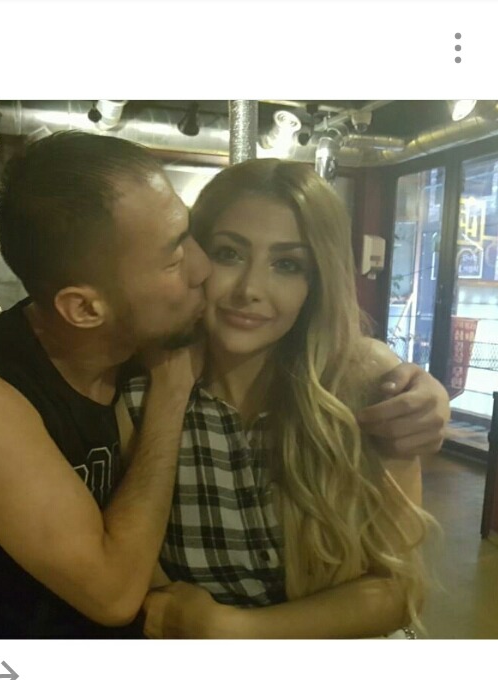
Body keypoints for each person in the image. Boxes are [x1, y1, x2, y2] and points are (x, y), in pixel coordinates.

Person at [0, 131, 209, 638]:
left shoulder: (136, 345)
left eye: (189, 235)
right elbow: (112, 596)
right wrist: (170, 393)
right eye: (173, 259)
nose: (203, 267)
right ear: (84, 308)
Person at [129, 158, 442, 639]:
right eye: (229, 254)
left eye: (287, 264)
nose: (250, 290)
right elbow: (140, 583)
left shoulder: (363, 386)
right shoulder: (141, 394)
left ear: (316, 283)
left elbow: (399, 589)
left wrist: (237, 631)